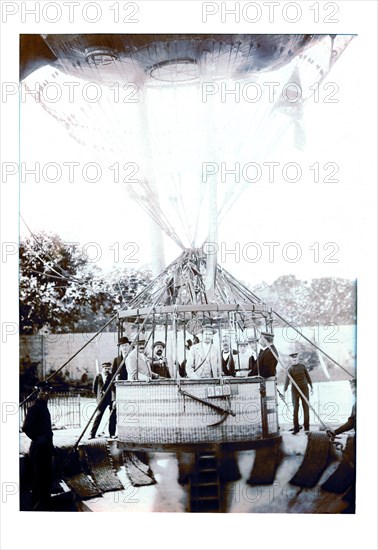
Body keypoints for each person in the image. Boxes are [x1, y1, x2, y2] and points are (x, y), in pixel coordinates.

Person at [22, 381, 55, 511]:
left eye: (48, 391)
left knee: (46, 478)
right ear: (38, 392)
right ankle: (36, 507)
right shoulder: (34, 407)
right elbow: (26, 428)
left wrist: (51, 448)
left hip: (46, 449)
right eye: (43, 391)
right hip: (38, 450)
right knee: (39, 479)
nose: (46, 394)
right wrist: (38, 439)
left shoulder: (44, 406)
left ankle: (46, 504)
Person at [283, 351, 314, 434]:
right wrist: (284, 391)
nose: (294, 359)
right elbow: (287, 381)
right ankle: (296, 428)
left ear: (298, 358)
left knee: (306, 408)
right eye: (293, 358)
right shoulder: (289, 369)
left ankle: (307, 428)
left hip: (304, 389)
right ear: (290, 359)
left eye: (295, 358)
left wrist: (311, 386)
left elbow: (308, 377)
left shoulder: (303, 366)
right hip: (295, 390)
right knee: (295, 409)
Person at [89, 362, 116, 439]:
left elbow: (114, 389)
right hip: (101, 400)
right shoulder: (98, 376)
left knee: (113, 417)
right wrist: (98, 397)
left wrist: (114, 400)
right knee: (98, 416)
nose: (107, 370)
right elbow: (94, 389)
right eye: (105, 368)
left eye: (109, 368)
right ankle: (92, 434)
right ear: (102, 368)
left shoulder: (111, 376)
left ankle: (112, 434)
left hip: (110, 399)